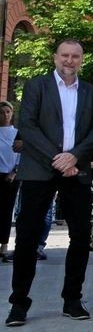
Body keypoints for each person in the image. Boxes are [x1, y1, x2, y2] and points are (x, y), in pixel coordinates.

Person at [6, 39, 93, 326]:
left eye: (75, 56)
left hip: (78, 170)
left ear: (81, 60)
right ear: (55, 57)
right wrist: (59, 159)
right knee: (26, 236)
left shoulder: (90, 92)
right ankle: (19, 304)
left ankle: (72, 299)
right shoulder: (37, 86)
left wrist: (74, 157)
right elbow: (27, 126)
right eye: (65, 55)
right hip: (39, 169)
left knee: (81, 236)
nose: (69, 61)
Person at [0, 102, 20, 262]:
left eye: (8, 112)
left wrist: (15, 172)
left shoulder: (17, 133)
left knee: (6, 210)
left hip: (11, 176)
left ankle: (4, 244)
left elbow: (22, 154)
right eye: (2, 112)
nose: (5, 115)